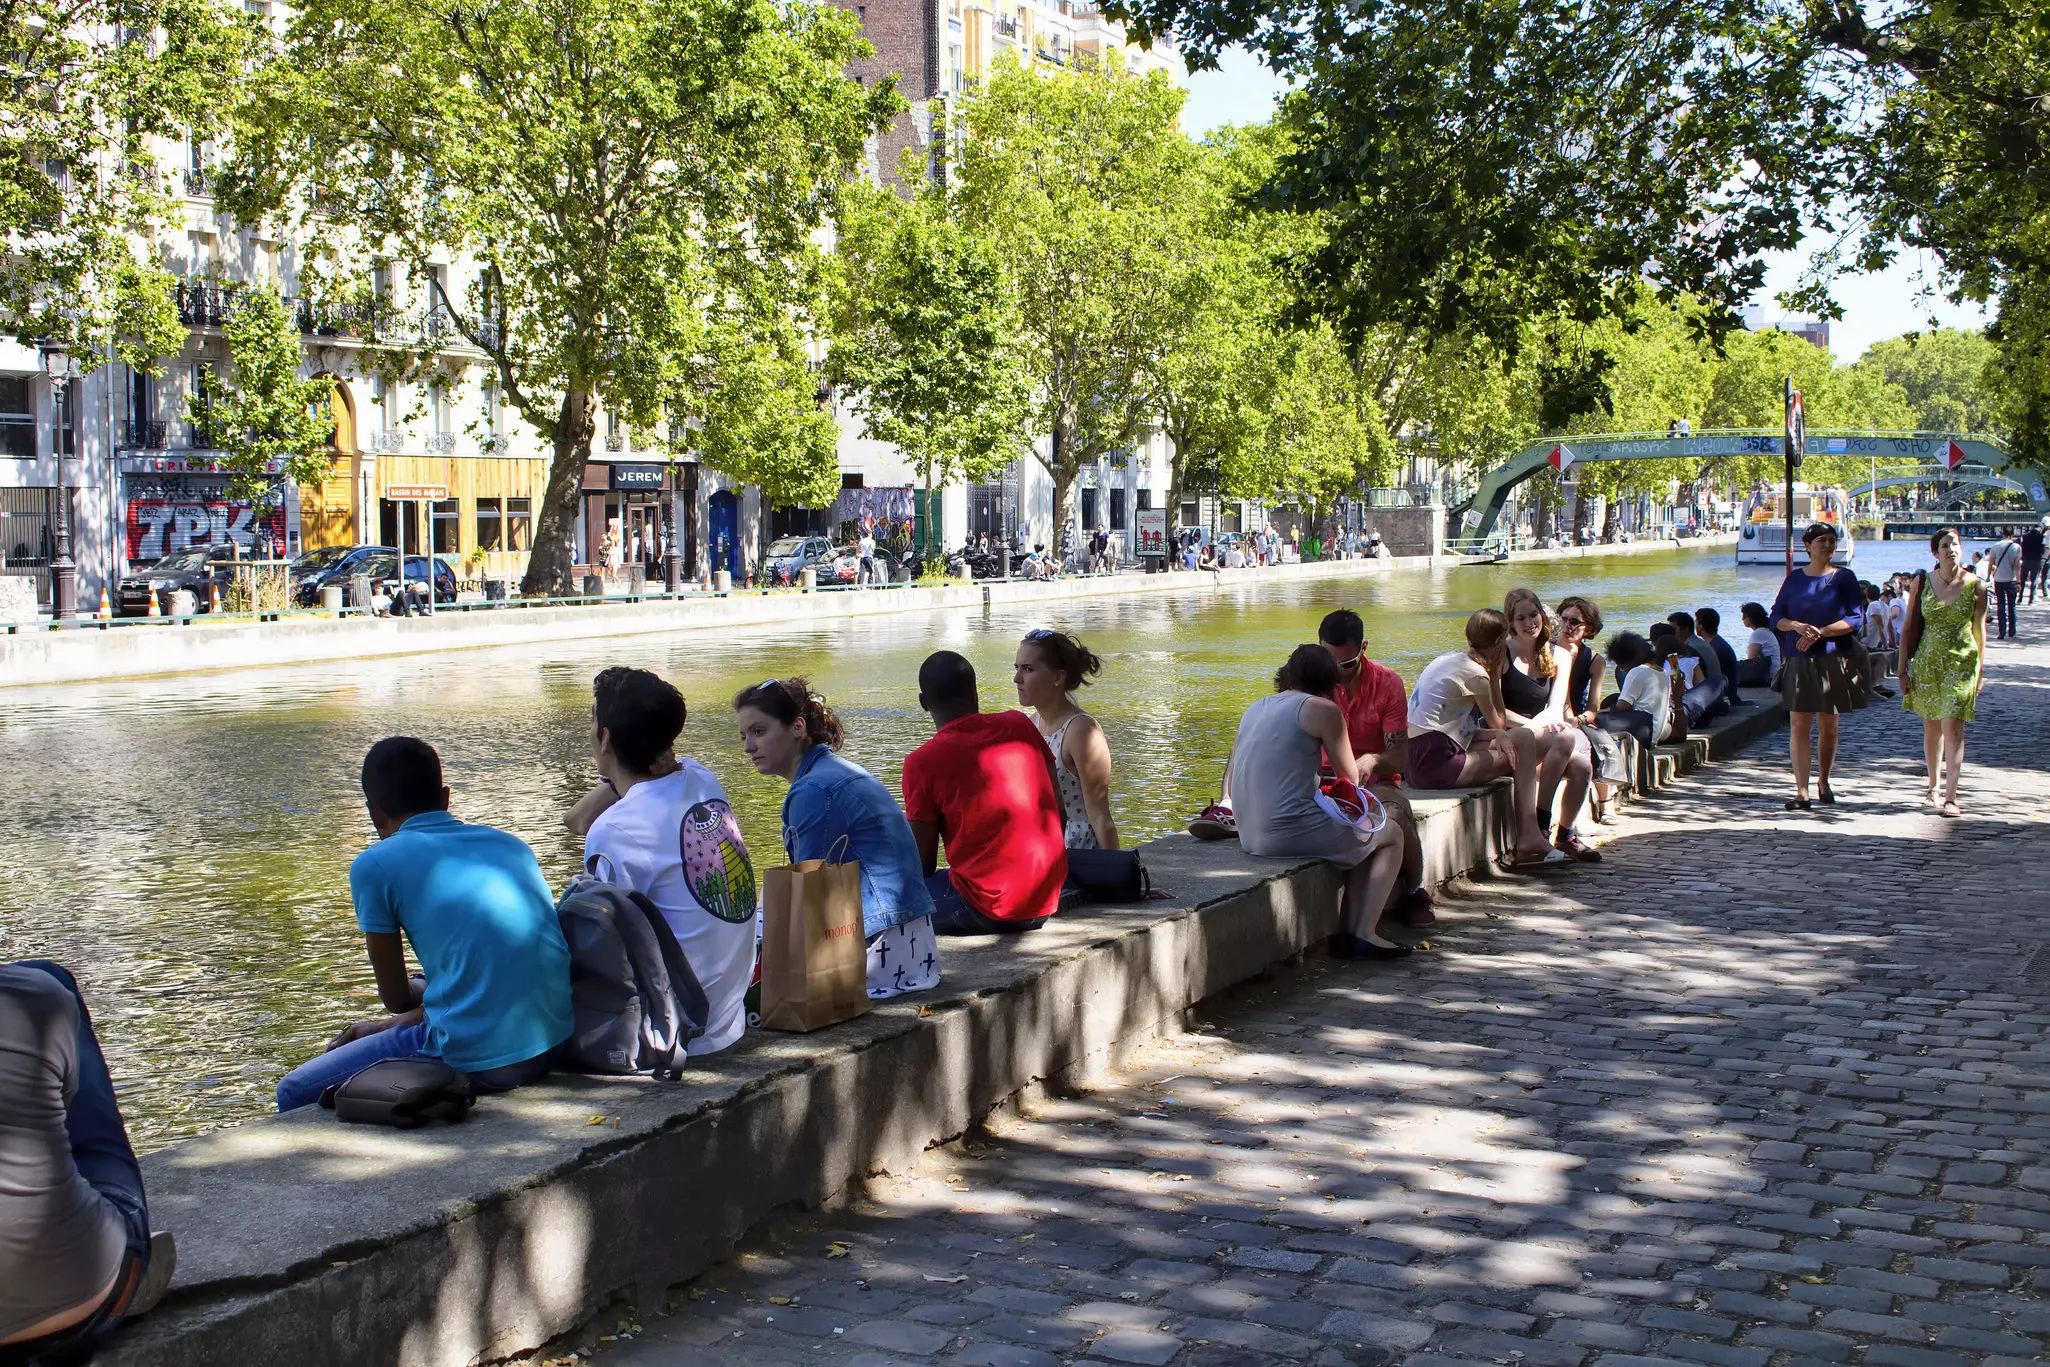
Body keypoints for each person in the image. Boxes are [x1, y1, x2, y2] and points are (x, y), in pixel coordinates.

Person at [276, 737, 573, 1111]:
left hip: (482, 1062)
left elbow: (396, 998)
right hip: (553, 1045)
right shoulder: (510, 845)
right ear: (445, 797)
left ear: (374, 812)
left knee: (292, 1091)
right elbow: (494, 978)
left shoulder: (375, 865)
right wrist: (404, 1012)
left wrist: (412, 997)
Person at [574, 668, 758, 1056]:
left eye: (592, 722)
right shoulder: (700, 777)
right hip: (728, 1016)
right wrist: (617, 771)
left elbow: (603, 955)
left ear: (605, 737)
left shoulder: (614, 832)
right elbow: (579, 818)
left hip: (681, 1031)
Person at [2, 963, 173, 1360]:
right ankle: (121, 1262)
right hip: (73, 1306)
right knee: (53, 976)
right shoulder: (34, 992)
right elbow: (64, 1102)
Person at [734, 678, 940, 1000]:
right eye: (744, 735)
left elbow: (806, 894)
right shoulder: (833, 770)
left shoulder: (812, 791)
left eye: (759, 732)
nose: (748, 746)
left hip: (880, 956)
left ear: (797, 728)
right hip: (913, 949)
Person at [1224, 645, 1409, 956]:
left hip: (1248, 835)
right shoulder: (1324, 710)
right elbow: (1349, 779)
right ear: (1332, 682)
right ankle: (1364, 933)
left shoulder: (1256, 707)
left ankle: (1348, 929)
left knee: (1366, 839)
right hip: (1286, 834)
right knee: (1390, 834)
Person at [902, 651, 1068, 934]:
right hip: (1047, 895)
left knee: (881, 899)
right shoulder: (1019, 724)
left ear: (923, 703)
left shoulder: (921, 763)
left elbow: (923, 865)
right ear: (975, 692)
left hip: (990, 909)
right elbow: (1058, 812)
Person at [1404, 609, 1565, 868]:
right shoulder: (1476, 674)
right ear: (1500, 642)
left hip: (1415, 757)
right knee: (1523, 741)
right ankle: (1529, 837)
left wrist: (1498, 735)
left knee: (1515, 740)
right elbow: (1499, 720)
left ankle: (1530, 836)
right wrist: (1493, 674)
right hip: (1436, 765)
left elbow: (1456, 728)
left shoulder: (1447, 659)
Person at [1317, 609, 1433, 922]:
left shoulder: (1388, 683)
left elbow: (1400, 756)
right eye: (1331, 662)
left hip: (1376, 781)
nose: (1338, 672)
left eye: (1347, 663)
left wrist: (1374, 759)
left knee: (1394, 814)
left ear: (1364, 647)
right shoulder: (1312, 680)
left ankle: (1413, 889)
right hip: (1322, 780)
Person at [1769, 522, 1867, 810]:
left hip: (1833, 659)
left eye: (1831, 540)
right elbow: (1776, 615)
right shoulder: (1794, 579)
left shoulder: (1844, 578)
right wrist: (1798, 627)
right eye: (1821, 540)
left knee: (1829, 725)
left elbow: (1855, 618)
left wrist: (1820, 633)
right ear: (1807, 546)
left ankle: (1823, 779)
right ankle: (1802, 790)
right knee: (1799, 724)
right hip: (1799, 660)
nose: (1827, 545)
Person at [1500, 589, 1598, 860]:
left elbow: (1556, 708)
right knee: (1565, 738)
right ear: (1511, 622)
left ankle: (1564, 835)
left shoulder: (1559, 655)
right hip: (1507, 739)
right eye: (1521, 618)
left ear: (1542, 616)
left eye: (1534, 615)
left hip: (1540, 733)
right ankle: (1539, 828)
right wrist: (1529, 730)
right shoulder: (1501, 654)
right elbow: (1495, 712)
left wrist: (1538, 729)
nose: (1529, 623)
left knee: (1581, 766)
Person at [1900, 529, 1987, 819]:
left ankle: (1951, 796)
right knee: (1932, 727)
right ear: (1935, 552)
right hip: (1927, 662)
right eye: (1945, 545)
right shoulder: (1922, 582)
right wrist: (1902, 668)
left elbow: (1979, 631)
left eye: (1955, 545)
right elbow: (1909, 627)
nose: (1951, 549)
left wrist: (1980, 670)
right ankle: (1932, 786)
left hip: (1961, 662)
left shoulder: (1976, 585)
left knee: (1954, 727)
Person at [1012, 629, 1118, 850]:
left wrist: (1118, 879)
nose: (1017, 679)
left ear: (1057, 678)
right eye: (1017, 668)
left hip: (1080, 857)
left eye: (1028, 669)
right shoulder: (1031, 725)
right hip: (1044, 854)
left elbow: (1100, 817)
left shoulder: (1081, 730)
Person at [1555, 595, 1627, 825]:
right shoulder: (1547, 651)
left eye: (1575, 622)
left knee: (1598, 741)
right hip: (1552, 714)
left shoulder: (1594, 660)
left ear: (1589, 628)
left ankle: (1606, 804)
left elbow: (1594, 705)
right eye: (1563, 619)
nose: (1567, 626)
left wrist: (1581, 718)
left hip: (1578, 715)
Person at [1595, 631, 1671, 750]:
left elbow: (1621, 707)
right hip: (1655, 734)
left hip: (1642, 732)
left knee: (1592, 720)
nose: (1622, 670)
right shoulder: (1662, 672)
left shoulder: (1637, 671)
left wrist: (1597, 713)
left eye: (1621, 665)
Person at [1663, 611, 1728, 724]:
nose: (1671, 634)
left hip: (1707, 701)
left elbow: (1700, 682)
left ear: (1686, 629)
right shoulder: (1697, 644)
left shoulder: (1690, 650)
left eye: (1674, 630)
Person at [1693, 606, 1743, 708]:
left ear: (1700, 626)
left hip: (1726, 697)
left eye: (1696, 622)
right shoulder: (1718, 643)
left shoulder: (1714, 648)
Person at [1985, 528, 2021, 639]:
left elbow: (1990, 563)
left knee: (2001, 606)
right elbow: (2017, 566)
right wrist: (2018, 581)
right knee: (2012, 605)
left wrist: (1988, 577)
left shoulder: (1995, 546)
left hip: (1999, 580)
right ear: (2012, 534)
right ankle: (2012, 630)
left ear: (2002, 533)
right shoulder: (2016, 547)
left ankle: (2001, 632)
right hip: (2011, 580)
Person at [1737, 601, 1779, 688]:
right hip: (1773, 674)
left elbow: (1751, 660)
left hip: (1767, 677)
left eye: (1744, 616)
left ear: (1752, 618)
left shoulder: (1758, 633)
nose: (1742, 619)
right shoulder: (1765, 631)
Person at [2024, 519, 2046, 605]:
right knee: (2034, 579)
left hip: (2025, 559)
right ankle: (2031, 599)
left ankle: (2020, 598)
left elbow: (2022, 547)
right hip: (2036, 560)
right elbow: (2042, 550)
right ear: (2041, 528)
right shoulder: (2041, 537)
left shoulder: (2025, 536)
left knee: (2023, 579)